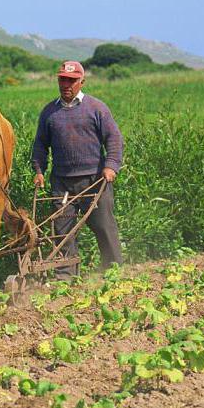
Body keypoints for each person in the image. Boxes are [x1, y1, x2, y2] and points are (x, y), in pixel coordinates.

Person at [31, 60, 124, 281]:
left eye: (72, 80)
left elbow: (114, 138)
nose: (67, 84)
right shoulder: (49, 112)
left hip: (94, 180)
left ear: (81, 82)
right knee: (63, 231)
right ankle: (66, 277)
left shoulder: (96, 108)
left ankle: (113, 271)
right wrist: (39, 170)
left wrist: (111, 165)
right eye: (63, 79)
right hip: (62, 183)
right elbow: (40, 145)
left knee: (103, 225)